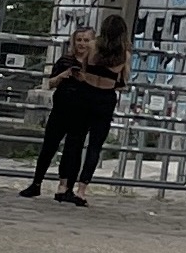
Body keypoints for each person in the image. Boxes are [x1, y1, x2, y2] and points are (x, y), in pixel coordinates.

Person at [20, 26, 95, 201]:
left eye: (86, 40)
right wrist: (63, 75)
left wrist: (84, 78)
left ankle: (66, 187)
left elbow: (98, 86)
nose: (82, 44)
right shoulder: (65, 60)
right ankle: (36, 183)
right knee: (49, 146)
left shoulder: (94, 64)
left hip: (82, 112)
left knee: (73, 150)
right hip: (61, 109)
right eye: (79, 40)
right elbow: (50, 83)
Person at [65, 15, 132, 201]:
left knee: (76, 140)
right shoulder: (124, 54)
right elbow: (123, 81)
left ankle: (67, 184)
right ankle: (82, 189)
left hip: (86, 93)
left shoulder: (93, 46)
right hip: (105, 98)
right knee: (95, 146)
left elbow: (83, 68)